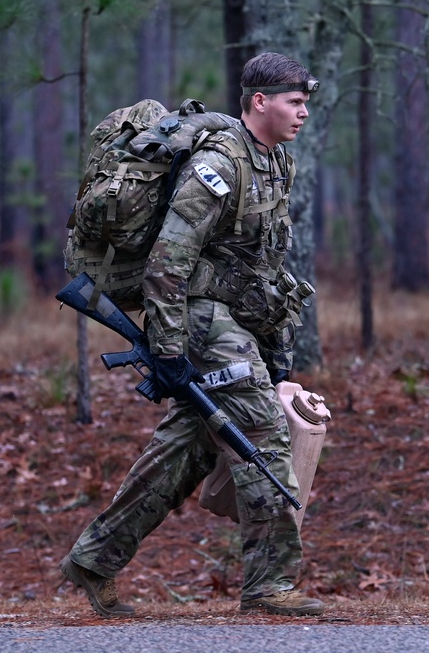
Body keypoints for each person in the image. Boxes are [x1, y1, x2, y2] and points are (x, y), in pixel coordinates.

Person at [59, 52, 325, 618]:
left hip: (230, 316)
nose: (303, 113)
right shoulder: (223, 161)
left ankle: (95, 558)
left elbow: (265, 265)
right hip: (194, 314)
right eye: (294, 102)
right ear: (260, 102)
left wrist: (276, 358)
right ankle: (270, 583)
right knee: (263, 432)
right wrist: (172, 349)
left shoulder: (278, 162)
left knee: (189, 446)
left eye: (305, 103)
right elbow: (169, 259)